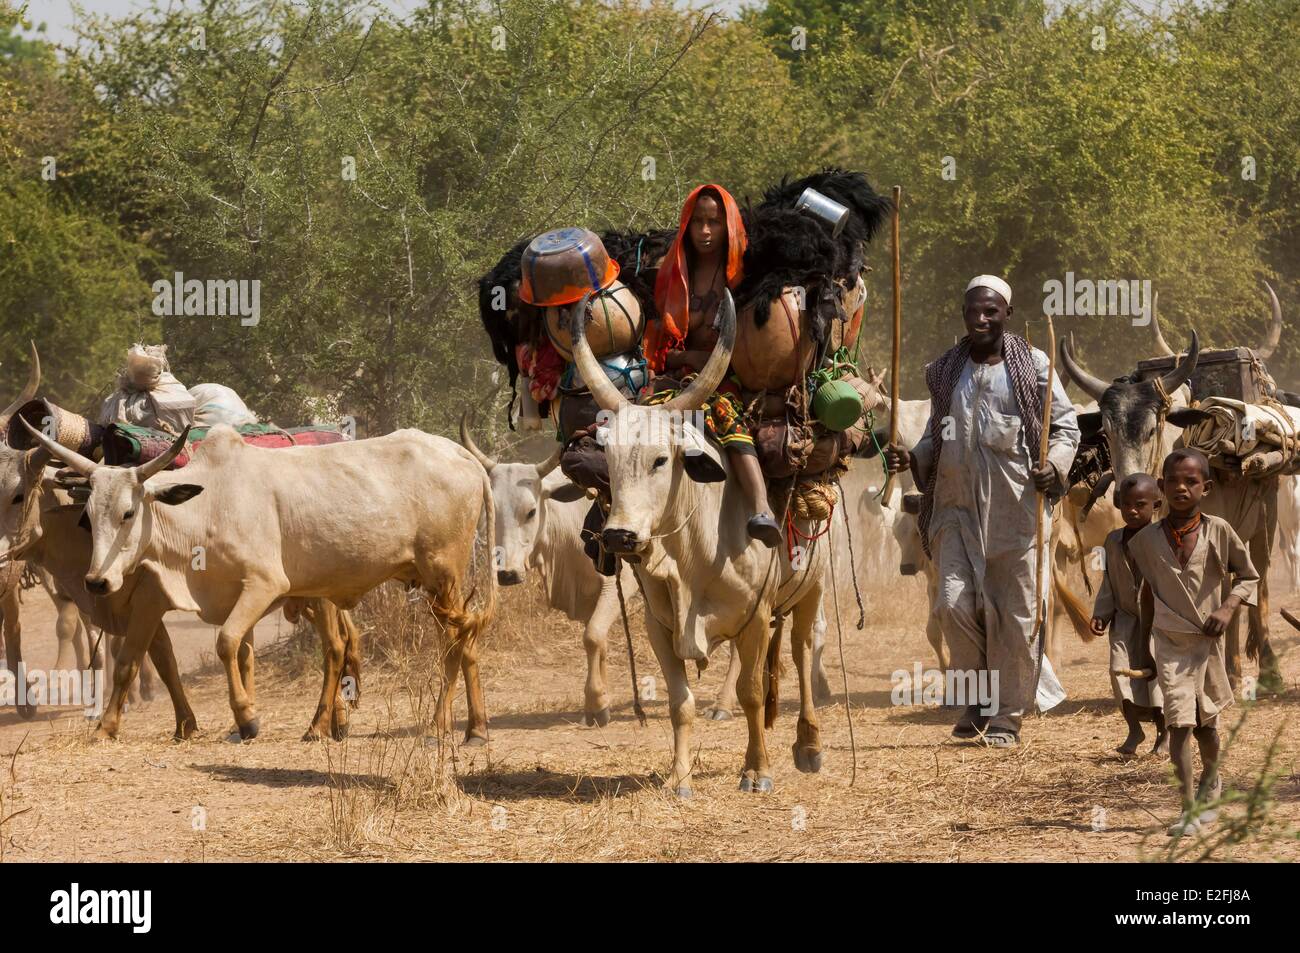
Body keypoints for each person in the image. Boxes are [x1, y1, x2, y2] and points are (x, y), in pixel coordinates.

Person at [883, 275, 1079, 746]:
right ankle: (976, 699)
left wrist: (1053, 466)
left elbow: (1066, 427)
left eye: (991, 311)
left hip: (1017, 515)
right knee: (953, 604)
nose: (981, 319)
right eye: (973, 311)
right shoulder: (948, 371)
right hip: (955, 511)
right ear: (964, 314)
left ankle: (1008, 715)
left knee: (1016, 615)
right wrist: (911, 457)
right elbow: (936, 435)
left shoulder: (1032, 365)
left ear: (1007, 314)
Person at [1127, 448, 1258, 837]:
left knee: (1206, 727)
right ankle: (1186, 808)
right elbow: (1147, 595)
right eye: (1172, 481)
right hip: (1170, 642)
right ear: (1162, 486)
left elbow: (1248, 576)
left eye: (1191, 481)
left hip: (1209, 641)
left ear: (1207, 487)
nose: (1180, 488)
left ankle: (1212, 783)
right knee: (1179, 724)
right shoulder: (1145, 541)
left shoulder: (1219, 530)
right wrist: (1142, 651)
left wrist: (1228, 608)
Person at [647, 184, 781, 547]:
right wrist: (675, 361)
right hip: (672, 382)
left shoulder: (744, 281)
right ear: (686, 225)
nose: (705, 231)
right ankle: (613, 513)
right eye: (698, 222)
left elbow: (743, 347)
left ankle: (760, 508)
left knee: (725, 417)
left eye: (714, 222)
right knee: (633, 425)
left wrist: (688, 358)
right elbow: (659, 340)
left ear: (728, 226)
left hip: (724, 380)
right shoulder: (672, 275)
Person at [1090, 473, 1167, 756]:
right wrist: (1102, 613)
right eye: (1126, 504)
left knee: (1157, 677)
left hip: (1157, 621)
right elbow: (1108, 580)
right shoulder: (1112, 541)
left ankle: (1164, 732)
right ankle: (1134, 729)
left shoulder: (1163, 539)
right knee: (1118, 671)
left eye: (1141, 504)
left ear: (1156, 506)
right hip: (1124, 619)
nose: (1132, 511)